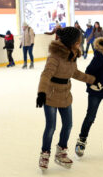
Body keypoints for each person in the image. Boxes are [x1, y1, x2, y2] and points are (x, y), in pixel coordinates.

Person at [36, 27, 96, 171]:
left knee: (68, 125)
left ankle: (61, 151)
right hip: (50, 95)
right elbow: (46, 75)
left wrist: (92, 80)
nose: (79, 44)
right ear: (70, 42)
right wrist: (41, 93)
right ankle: (45, 154)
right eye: (77, 42)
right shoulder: (54, 57)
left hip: (65, 95)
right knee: (51, 127)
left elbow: (73, 73)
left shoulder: (71, 55)